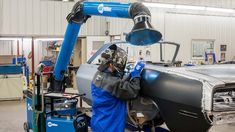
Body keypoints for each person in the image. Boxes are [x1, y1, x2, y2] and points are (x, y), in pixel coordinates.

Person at [90, 44, 145, 132]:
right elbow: (133, 91)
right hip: (110, 127)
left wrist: (129, 75)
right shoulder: (112, 83)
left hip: (99, 123)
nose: (119, 70)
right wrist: (136, 76)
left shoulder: (98, 75)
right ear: (111, 65)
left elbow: (118, 86)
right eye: (119, 67)